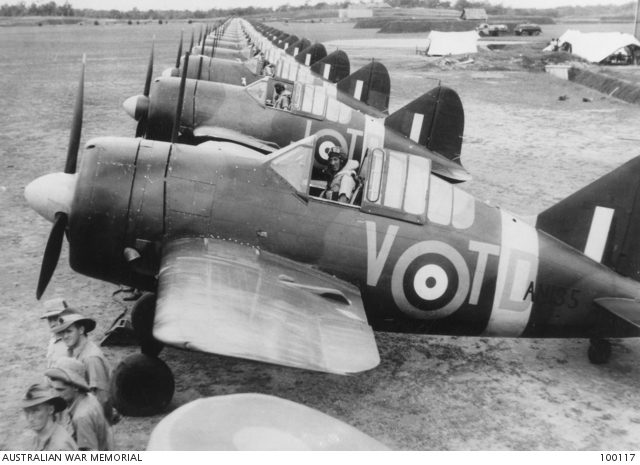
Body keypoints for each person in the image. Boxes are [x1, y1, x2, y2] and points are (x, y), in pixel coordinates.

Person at [52, 311, 114, 424]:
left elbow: (102, 398)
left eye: (69, 331)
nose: (65, 336)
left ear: (81, 330)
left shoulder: (91, 358)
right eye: (62, 332)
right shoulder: (74, 349)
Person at [45, 357, 114, 451]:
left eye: (60, 390)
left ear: (76, 387)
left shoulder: (82, 417)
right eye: (54, 389)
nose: (56, 394)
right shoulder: (89, 397)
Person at [21, 383, 77, 451]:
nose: (30, 419)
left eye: (35, 411)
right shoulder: (39, 437)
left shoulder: (60, 445)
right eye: (27, 412)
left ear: (51, 410)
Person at [40, 298, 69, 369]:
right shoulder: (54, 336)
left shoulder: (71, 341)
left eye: (56, 319)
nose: (52, 324)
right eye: (49, 320)